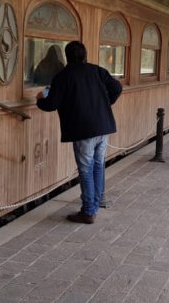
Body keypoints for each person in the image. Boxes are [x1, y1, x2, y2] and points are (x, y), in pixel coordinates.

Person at [36, 41, 122, 224]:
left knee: (85, 169)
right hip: (103, 126)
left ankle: (88, 211)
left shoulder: (63, 76)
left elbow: (51, 104)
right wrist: (106, 103)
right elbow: (117, 88)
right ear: (85, 55)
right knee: (98, 165)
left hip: (83, 129)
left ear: (67, 57)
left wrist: (40, 100)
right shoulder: (98, 71)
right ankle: (95, 206)